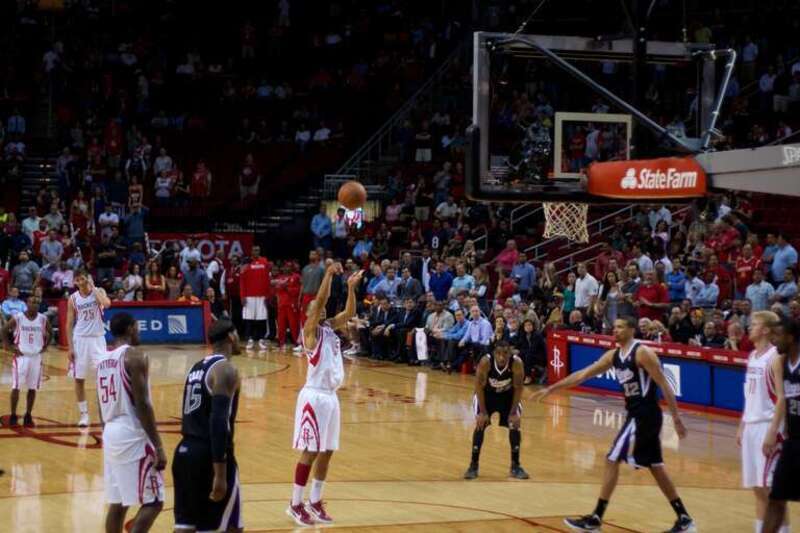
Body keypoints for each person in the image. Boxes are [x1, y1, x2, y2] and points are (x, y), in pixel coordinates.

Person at [534, 316, 694, 533]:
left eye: (620, 327)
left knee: (611, 459)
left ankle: (596, 518)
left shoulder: (642, 353)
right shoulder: (614, 355)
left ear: (632, 329)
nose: (615, 330)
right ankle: (684, 518)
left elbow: (665, 385)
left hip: (645, 415)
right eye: (614, 327)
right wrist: (553, 388)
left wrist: (676, 419)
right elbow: (582, 375)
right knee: (655, 466)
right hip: (636, 415)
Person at [287, 264, 363, 526]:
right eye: (315, 309)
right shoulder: (309, 330)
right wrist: (329, 275)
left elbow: (350, 313)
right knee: (310, 451)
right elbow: (320, 300)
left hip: (331, 396)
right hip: (314, 396)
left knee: (328, 450)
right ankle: (295, 504)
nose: (320, 310)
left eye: (320, 310)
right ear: (309, 313)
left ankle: (315, 501)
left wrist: (351, 288)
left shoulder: (329, 327)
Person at [97, 313, 166, 533]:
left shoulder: (102, 360)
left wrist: (107, 432)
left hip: (110, 430)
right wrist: (159, 445)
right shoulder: (135, 356)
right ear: (130, 329)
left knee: (118, 503)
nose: (139, 331)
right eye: (137, 327)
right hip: (131, 431)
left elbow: (99, 404)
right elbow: (142, 403)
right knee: (155, 501)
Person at [172, 319, 243, 533]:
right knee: (230, 527)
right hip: (209, 454)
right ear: (231, 337)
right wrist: (220, 473)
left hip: (184, 452)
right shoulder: (226, 370)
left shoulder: (196, 367)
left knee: (185, 527)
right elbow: (218, 422)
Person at [736, 311, 784, 532]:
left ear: (765, 330)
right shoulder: (752, 356)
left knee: (771, 492)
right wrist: (742, 424)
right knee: (757, 488)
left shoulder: (775, 357)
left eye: (754, 324)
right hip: (751, 426)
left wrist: (773, 431)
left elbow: (782, 397)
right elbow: (749, 395)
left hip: (768, 425)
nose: (749, 327)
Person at [463, 340, 528, 480]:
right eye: (498, 353)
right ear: (494, 353)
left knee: (514, 425)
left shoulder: (516, 363)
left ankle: (515, 466)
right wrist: (482, 412)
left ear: (510, 353)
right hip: (486, 395)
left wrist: (513, 413)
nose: (502, 357)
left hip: (507, 396)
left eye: (505, 353)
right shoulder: (485, 362)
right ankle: (473, 465)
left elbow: (518, 388)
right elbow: (478, 387)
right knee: (481, 424)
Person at [762, 316, 800, 533]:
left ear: (791, 337)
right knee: (776, 497)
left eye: (778, 335)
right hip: (792, 442)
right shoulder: (782, 362)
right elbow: (783, 400)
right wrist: (775, 431)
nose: (773, 340)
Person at [66, 270, 111, 427]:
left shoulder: (98, 292)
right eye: (78, 280)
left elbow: (107, 304)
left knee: (103, 376)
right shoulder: (73, 299)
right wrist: (70, 347)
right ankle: (84, 415)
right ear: (75, 282)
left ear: (88, 279)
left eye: (83, 278)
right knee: (79, 378)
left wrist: (93, 287)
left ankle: (105, 412)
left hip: (98, 339)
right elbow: (69, 324)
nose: (81, 281)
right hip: (80, 340)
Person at [2, 295, 50, 427]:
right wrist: (9, 347)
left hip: (36, 357)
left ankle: (28, 415)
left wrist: (45, 346)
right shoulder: (18, 317)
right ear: (27, 303)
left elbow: (50, 333)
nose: (35, 304)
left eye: (37, 303)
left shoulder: (43, 319)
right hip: (21, 357)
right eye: (32, 302)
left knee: (32, 388)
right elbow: (4, 330)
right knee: (16, 387)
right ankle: (13, 415)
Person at [239, 245, 272, 351]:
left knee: (261, 319)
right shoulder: (246, 263)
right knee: (249, 319)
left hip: (262, 296)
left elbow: (268, 280)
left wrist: (268, 295)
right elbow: (242, 281)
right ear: (251, 251)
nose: (256, 252)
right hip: (249, 296)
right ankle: (250, 340)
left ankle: (261, 339)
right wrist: (242, 296)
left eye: (258, 250)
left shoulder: (265, 262)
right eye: (254, 250)